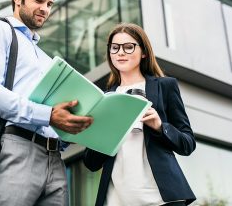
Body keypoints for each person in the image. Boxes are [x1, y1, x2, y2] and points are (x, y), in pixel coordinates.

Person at [0, 0, 93, 206]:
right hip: (14, 150)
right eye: (38, 0)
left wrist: (73, 125)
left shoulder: (45, 58)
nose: (45, 8)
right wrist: (49, 115)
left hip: (55, 158)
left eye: (49, 3)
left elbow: (52, 114)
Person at [84, 23, 196, 206]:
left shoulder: (165, 86)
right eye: (115, 47)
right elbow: (90, 162)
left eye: (129, 47)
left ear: (143, 52)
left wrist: (161, 127)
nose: (120, 52)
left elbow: (188, 143)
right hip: (116, 199)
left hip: (161, 199)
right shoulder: (104, 98)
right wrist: (106, 133)